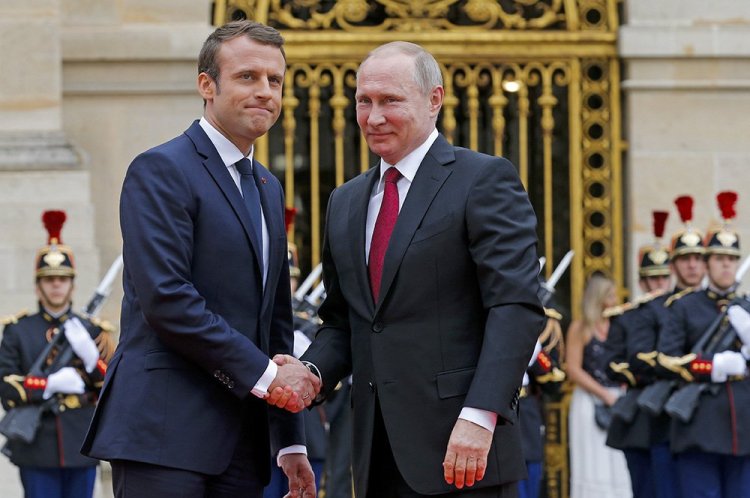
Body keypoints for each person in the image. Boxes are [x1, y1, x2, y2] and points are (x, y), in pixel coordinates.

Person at [276, 41, 545, 498]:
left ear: (434, 99)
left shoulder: (482, 179)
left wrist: (481, 415)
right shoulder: (345, 201)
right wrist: (313, 372)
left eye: (390, 101)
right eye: (365, 101)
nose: (374, 117)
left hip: (463, 450)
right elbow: (346, 320)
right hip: (375, 453)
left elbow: (515, 307)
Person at [80, 21, 319, 498]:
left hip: (242, 443)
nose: (265, 91)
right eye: (248, 76)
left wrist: (290, 442)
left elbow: (275, 322)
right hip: (164, 434)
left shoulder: (268, 188)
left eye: (275, 80)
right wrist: (271, 379)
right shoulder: (162, 169)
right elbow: (167, 298)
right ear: (206, 85)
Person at [0, 210, 115, 498]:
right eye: (49, 279)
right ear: (38, 286)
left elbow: (113, 387)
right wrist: (49, 385)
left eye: (62, 279)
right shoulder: (18, 330)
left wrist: (92, 359)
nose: (56, 285)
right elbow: (7, 386)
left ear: (73, 285)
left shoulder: (92, 331)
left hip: (82, 444)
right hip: (37, 445)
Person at [656, 191, 750, 498]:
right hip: (700, 425)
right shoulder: (684, 306)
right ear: (707, 264)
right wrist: (715, 366)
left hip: (744, 428)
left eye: (732, 260)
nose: (727, 266)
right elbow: (667, 360)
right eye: (720, 259)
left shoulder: (746, 308)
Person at [605, 210, 682, 498]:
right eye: (653, 279)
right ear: (642, 282)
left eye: (664, 278)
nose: (659, 284)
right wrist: (644, 370)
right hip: (641, 411)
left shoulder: (680, 311)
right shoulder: (627, 317)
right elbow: (611, 363)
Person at [565, 274, 631, 498]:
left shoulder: (619, 325)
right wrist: (603, 394)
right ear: (599, 298)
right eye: (610, 295)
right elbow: (572, 369)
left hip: (618, 399)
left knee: (619, 461)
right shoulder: (580, 327)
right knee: (593, 460)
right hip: (589, 400)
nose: (614, 300)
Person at [517, 308, 566, 498]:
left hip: (526, 404)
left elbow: (553, 377)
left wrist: (536, 353)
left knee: (533, 464)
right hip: (500, 405)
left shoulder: (537, 322)